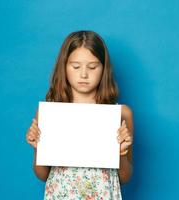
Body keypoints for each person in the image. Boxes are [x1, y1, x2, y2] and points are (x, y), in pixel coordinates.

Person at [26, 30, 134, 199]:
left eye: (92, 67)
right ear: (64, 66)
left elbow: (125, 177)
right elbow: (42, 175)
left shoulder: (121, 114)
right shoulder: (50, 113)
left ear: (103, 68)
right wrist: (38, 148)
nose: (84, 74)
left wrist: (120, 153)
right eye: (76, 66)